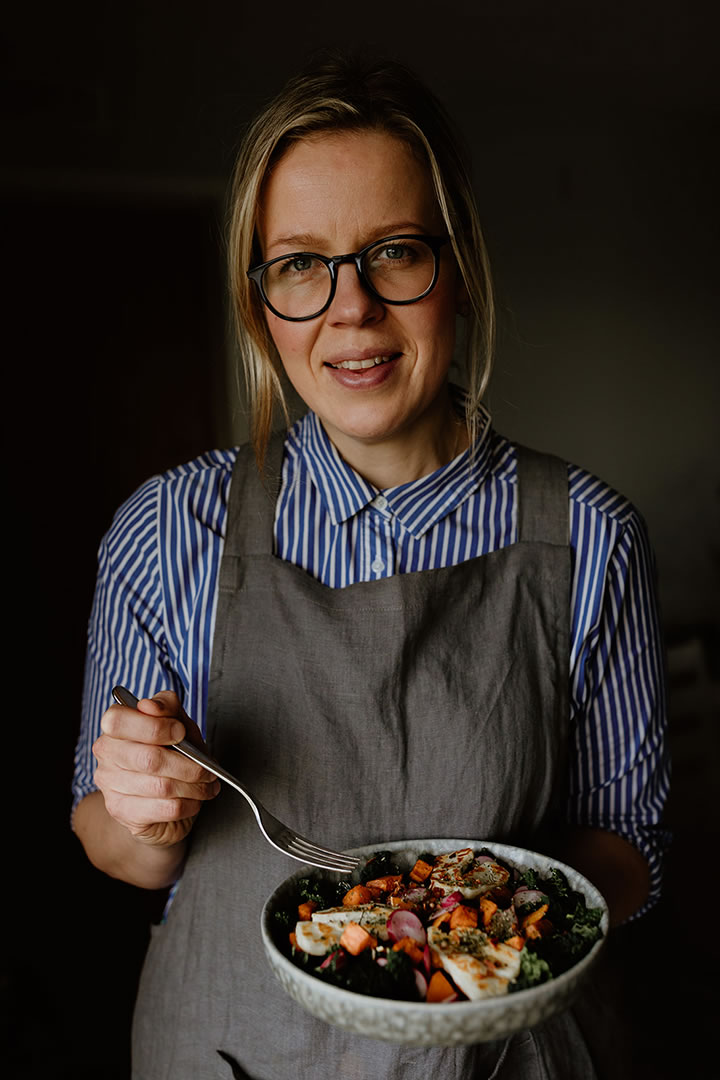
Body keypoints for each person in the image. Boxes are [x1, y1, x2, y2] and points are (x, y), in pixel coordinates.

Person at [72, 54, 669, 1080]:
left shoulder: (592, 533)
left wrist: (489, 913)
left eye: (393, 252)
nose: (349, 309)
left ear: (460, 267)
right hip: (231, 1051)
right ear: (259, 303)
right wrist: (144, 808)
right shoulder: (166, 528)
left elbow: (632, 845)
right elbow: (114, 843)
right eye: (301, 263)